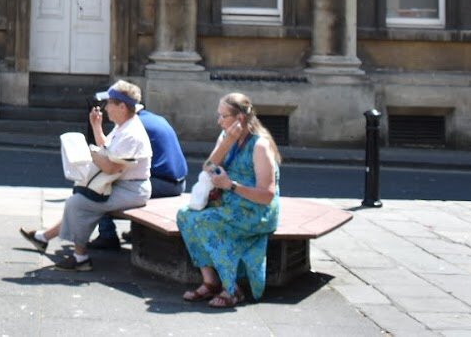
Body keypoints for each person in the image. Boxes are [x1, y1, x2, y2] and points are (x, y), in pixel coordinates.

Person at [20, 80, 152, 271]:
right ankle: (48, 240)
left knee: (78, 203)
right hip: (120, 184)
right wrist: (96, 127)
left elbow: (109, 167)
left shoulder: (131, 133)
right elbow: (108, 151)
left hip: (132, 190)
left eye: (110, 104)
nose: (106, 108)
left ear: (122, 106)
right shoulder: (124, 126)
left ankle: (80, 257)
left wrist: (86, 151)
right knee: (82, 196)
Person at [176, 92, 281, 308]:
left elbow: (267, 195)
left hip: (256, 210)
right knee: (185, 216)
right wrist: (229, 140)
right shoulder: (226, 137)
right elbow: (207, 167)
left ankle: (232, 289)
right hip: (230, 203)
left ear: (240, 118)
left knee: (205, 222)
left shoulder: (260, 146)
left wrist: (230, 185)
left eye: (223, 116)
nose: (218, 121)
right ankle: (211, 281)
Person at [89, 98, 188, 250]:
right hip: (179, 181)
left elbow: (108, 153)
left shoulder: (133, 127)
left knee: (102, 188)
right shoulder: (155, 118)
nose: (109, 111)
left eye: (111, 106)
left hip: (163, 183)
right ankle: (134, 232)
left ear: (123, 109)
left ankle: (107, 235)